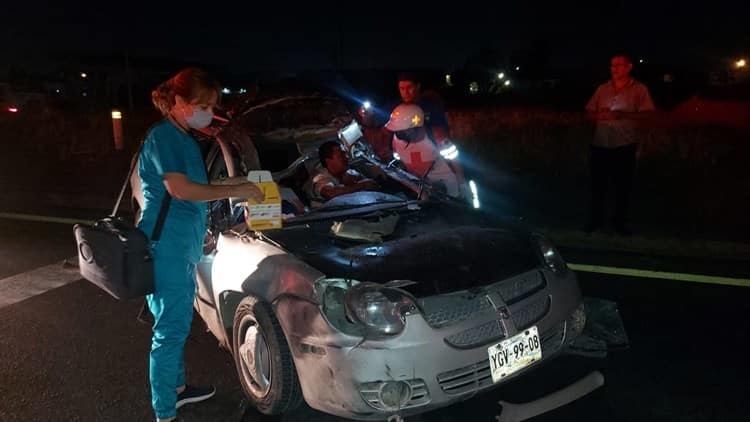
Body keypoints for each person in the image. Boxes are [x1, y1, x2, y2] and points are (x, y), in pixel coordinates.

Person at [140, 67, 264, 422]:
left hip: (180, 244)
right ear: (178, 102)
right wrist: (233, 189)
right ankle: (165, 411)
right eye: (203, 105)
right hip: (166, 248)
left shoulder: (183, 137)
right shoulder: (165, 137)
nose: (209, 113)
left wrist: (206, 226)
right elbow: (180, 189)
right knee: (170, 328)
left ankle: (176, 391)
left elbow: (190, 197)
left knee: (174, 322)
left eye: (212, 106)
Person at [585, 53, 655, 236]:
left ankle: (619, 224)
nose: (614, 69)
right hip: (600, 143)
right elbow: (589, 111)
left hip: (624, 145)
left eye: (619, 65)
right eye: (612, 65)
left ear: (629, 67)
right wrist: (598, 115)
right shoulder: (603, 88)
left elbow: (647, 114)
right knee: (598, 186)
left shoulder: (639, 89)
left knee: (622, 187)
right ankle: (596, 221)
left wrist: (622, 115)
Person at [385, 103, 461, 198]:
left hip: (448, 185)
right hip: (421, 188)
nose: (398, 134)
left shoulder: (436, 136)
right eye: (396, 131)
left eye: (402, 131)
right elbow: (399, 160)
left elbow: (454, 160)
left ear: (416, 127)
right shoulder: (396, 139)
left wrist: (461, 183)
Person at [311, 141, 379, 201]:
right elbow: (330, 193)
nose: (346, 157)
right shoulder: (320, 177)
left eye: (345, 154)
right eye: (341, 156)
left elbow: (369, 183)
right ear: (328, 161)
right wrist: (361, 185)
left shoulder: (348, 172)